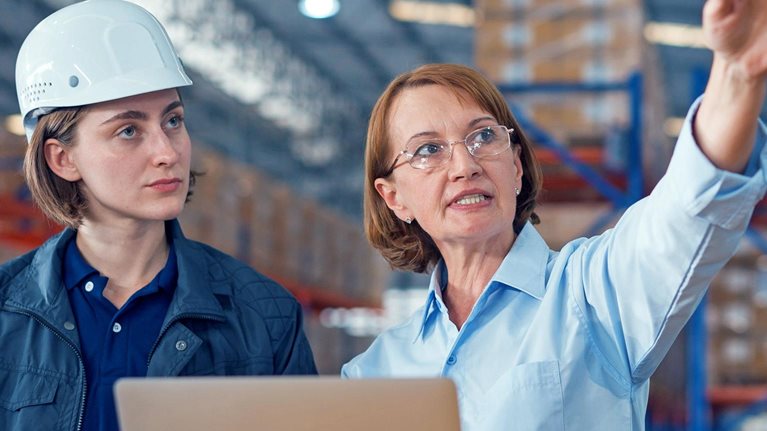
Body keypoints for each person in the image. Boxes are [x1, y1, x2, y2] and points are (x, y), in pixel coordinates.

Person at [342, 1, 767, 429]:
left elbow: (685, 213)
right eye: (428, 150)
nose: (464, 165)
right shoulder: (373, 374)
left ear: (516, 166)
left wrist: (737, 72)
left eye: (483, 136)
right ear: (393, 197)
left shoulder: (593, 294)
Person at [1, 1, 317, 430]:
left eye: (172, 120)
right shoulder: (7, 312)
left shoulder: (265, 316)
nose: (168, 153)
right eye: (128, 130)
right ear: (62, 159)